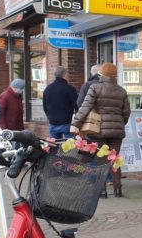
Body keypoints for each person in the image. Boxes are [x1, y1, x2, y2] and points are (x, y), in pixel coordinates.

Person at [71, 63, 130, 198]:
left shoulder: (95, 88)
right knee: (115, 159)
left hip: (98, 131)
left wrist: (76, 124)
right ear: (115, 75)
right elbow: (126, 112)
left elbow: (85, 108)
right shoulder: (121, 91)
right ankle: (118, 189)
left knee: (100, 161)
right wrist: (120, 123)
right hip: (116, 132)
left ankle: (102, 191)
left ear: (101, 74)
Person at [43, 66, 78, 139]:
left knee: (54, 146)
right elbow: (76, 105)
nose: (68, 76)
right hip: (67, 122)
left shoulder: (48, 88)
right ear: (64, 75)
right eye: (67, 74)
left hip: (53, 122)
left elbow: (45, 106)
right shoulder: (69, 88)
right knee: (71, 147)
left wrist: (50, 117)